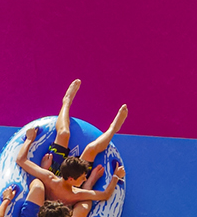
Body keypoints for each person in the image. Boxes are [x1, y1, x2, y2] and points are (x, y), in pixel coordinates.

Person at [16, 79, 127, 207]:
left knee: (71, 138)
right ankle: (68, 102)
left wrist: (30, 140)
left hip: (54, 174)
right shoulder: (77, 193)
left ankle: (111, 128)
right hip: (56, 194)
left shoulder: (49, 177)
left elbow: (21, 160)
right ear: (71, 179)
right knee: (79, 142)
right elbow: (105, 195)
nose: (84, 178)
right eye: (83, 177)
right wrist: (115, 177)